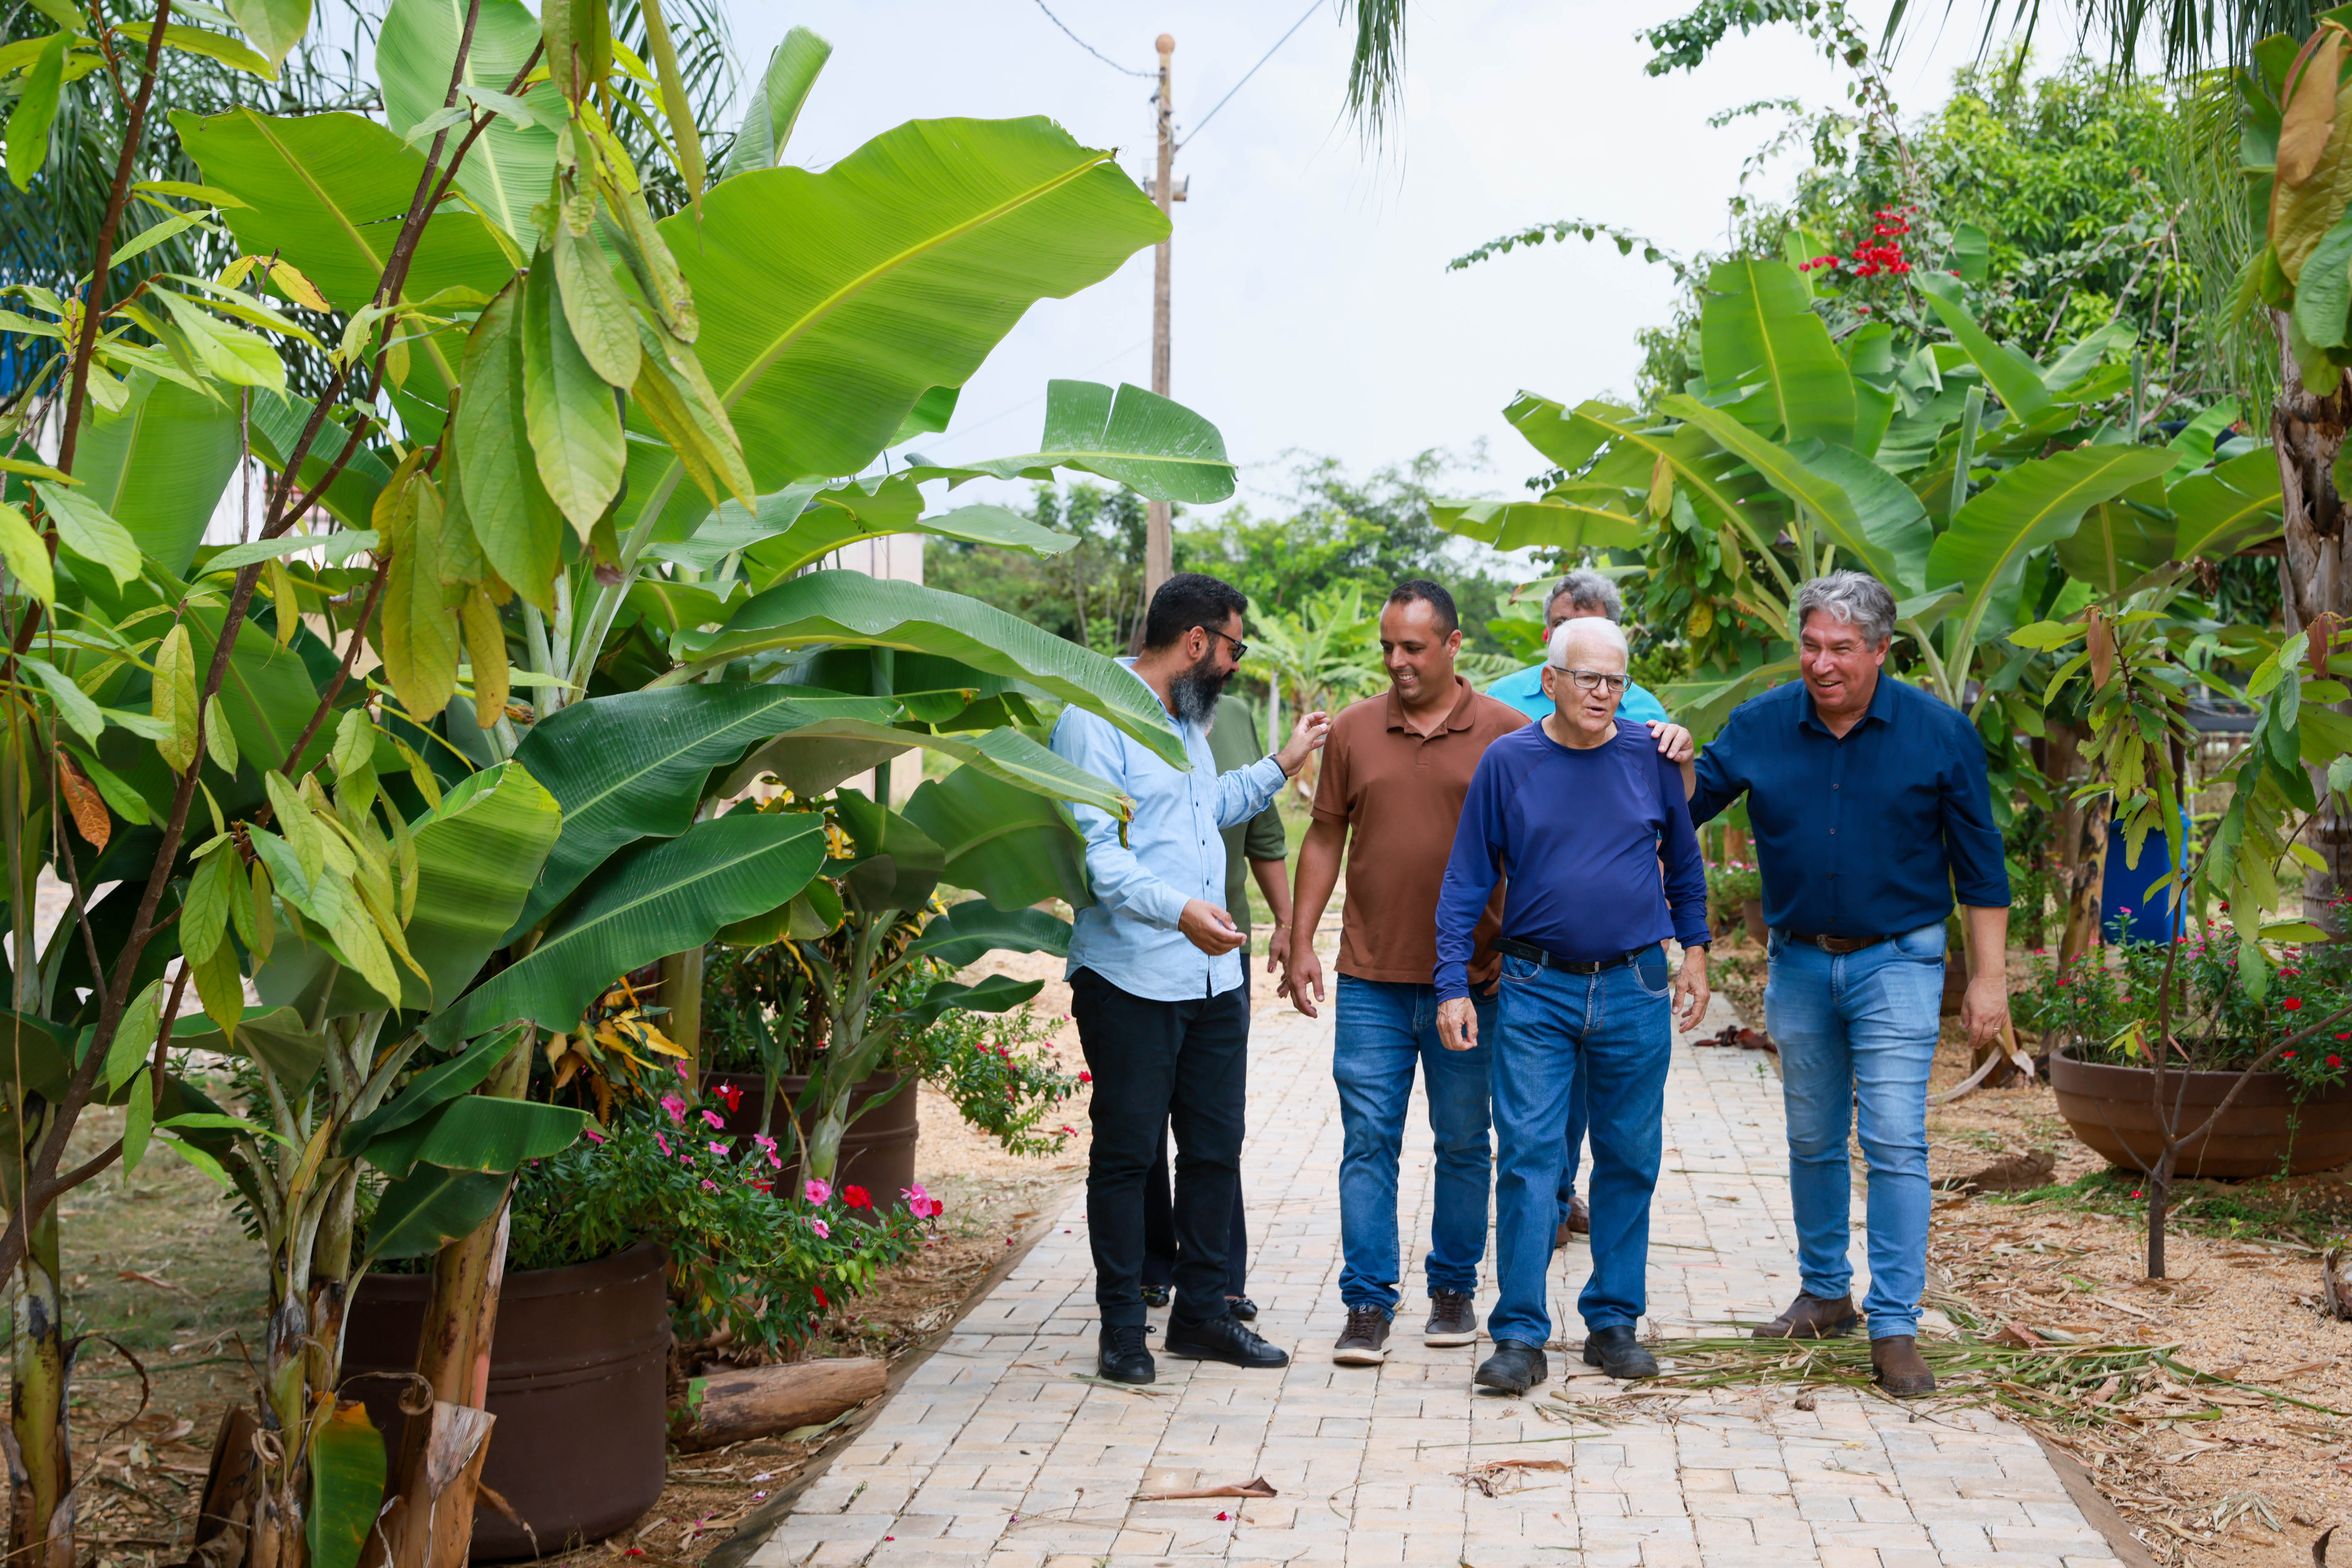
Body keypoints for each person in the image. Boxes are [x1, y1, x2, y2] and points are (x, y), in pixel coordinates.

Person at [1686, 571, 2011, 1398]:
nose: (1821, 663)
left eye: (1839, 648)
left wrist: (1990, 983)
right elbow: (1679, 806)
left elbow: (1981, 870)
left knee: (1897, 1139)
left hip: (1899, 962)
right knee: (1811, 1136)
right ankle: (1825, 1289)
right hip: (1797, 961)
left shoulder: (1939, 735)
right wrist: (1652, 754)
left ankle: (1895, 1319)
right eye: (1810, 645)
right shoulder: (1761, 724)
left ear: (1880, 650)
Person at [1049, 572, 1329, 1386]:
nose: (1237, 665)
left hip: (1212, 977)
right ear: (1198, 640)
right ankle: (1123, 1329)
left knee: (1215, 1148)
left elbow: (1204, 809)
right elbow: (1099, 855)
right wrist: (1177, 910)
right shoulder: (1095, 718)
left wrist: (1282, 762)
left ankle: (1203, 1314)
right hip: (1132, 977)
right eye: (1235, 647)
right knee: (1130, 1153)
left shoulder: (1189, 722)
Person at [1435, 616, 1711, 1395]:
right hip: (1534, 988)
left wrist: (1693, 952)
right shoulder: (1508, 761)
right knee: (1528, 1161)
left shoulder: (1648, 757)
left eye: (1614, 680)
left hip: (1632, 986)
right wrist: (1451, 980)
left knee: (1629, 1157)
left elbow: (1683, 865)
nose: (1601, 692)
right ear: (1548, 680)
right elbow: (1464, 879)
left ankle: (1613, 1322)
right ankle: (1519, 1334)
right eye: (1585, 677)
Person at [1286, 581, 1527, 1366]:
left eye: (1412, 647)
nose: (1395, 661)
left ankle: (1453, 1289)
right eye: (1387, 646)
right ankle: (1366, 1304)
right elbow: (1324, 836)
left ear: (1452, 645)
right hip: (1370, 979)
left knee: (1463, 1140)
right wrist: (1298, 939)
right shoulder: (1355, 729)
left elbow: (1540, 845)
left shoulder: (1506, 732)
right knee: (1367, 1140)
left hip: (1474, 981)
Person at [1490, 571, 1667, 1249]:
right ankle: (1547, 1196)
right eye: (1566, 624)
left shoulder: (1642, 707)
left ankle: (1564, 1194)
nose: (1598, 686)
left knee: (1602, 1086)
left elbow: (1671, 817)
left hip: (1622, 950)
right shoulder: (1502, 701)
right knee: (1537, 1092)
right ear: (1548, 641)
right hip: (1530, 941)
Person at [1139, 690, 1294, 1320]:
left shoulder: (1230, 716)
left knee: (1213, 1123)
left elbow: (1262, 833)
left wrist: (1287, 924)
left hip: (1221, 954)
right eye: (1231, 644)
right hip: (1140, 955)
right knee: (1143, 1121)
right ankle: (1152, 1263)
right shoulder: (1108, 713)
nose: (1235, 662)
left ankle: (1219, 1277)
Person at [1485, 571, 1668, 726]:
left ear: (1614, 633)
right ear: (1547, 631)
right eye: (1561, 623)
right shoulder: (1503, 698)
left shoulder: (1649, 716)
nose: (1572, 635)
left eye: (1587, 625)